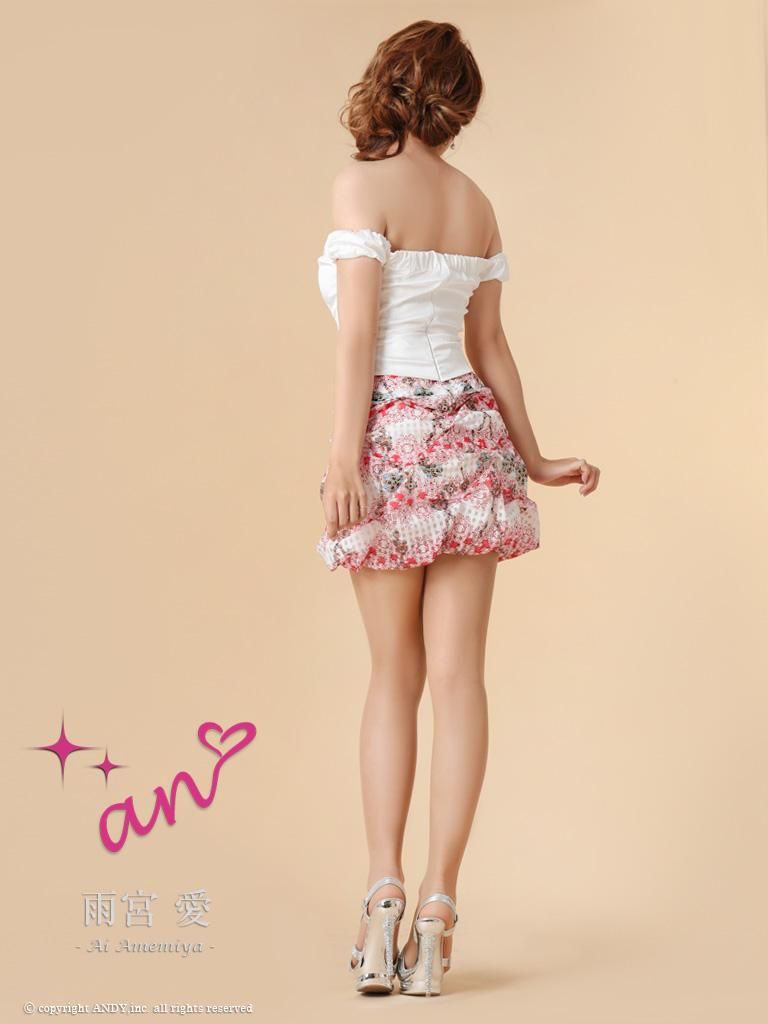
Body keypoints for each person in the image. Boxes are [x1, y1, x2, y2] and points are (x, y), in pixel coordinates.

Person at [315, 20, 600, 998]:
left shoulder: (361, 187)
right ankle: (439, 911)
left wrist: (342, 455)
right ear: (456, 102)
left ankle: (383, 898)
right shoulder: (475, 203)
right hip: (473, 444)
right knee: (460, 680)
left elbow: (359, 337)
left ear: (388, 82)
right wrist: (536, 457)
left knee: (392, 676)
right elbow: (492, 348)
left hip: (392, 442)